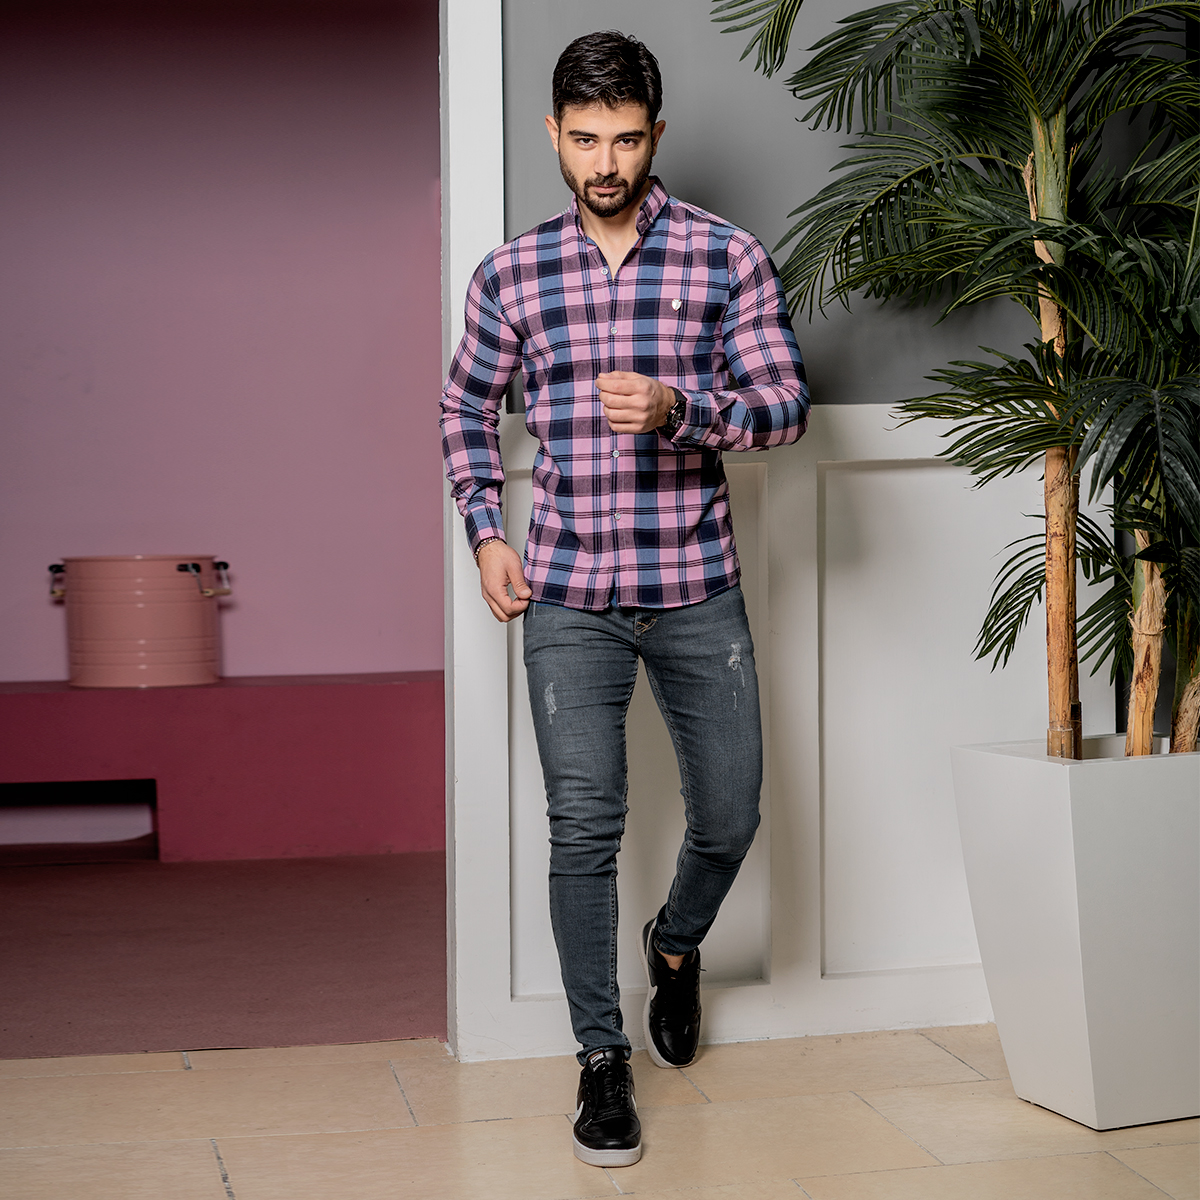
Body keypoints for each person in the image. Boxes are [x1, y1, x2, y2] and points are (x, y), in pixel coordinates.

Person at [440, 29, 809, 1168]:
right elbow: (465, 411)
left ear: (657, 134)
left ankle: (675, 943)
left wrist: (681, 411)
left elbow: (786, 406)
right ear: (553, 134)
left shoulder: (725, 255)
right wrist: (486, 533)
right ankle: (602, 1061)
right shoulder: (510, 274)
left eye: (628, 139)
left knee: (732, 815)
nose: (606, 163)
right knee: (584, 827)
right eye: (586, 139)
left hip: (696, 586)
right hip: (567, 595)